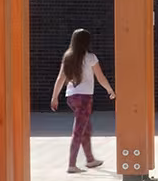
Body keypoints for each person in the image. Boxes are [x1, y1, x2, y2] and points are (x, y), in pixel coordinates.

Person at [48, 28, 114, 173]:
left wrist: (54, 97)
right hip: (84, 98)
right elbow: (100, 77)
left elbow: (60, 79)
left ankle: (90, 160)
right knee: (78, 130)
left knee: (85, 128)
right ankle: (72, 165)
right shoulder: (91, 58)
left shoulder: (68, 57)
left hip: (71, 97)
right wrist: (110, 90)